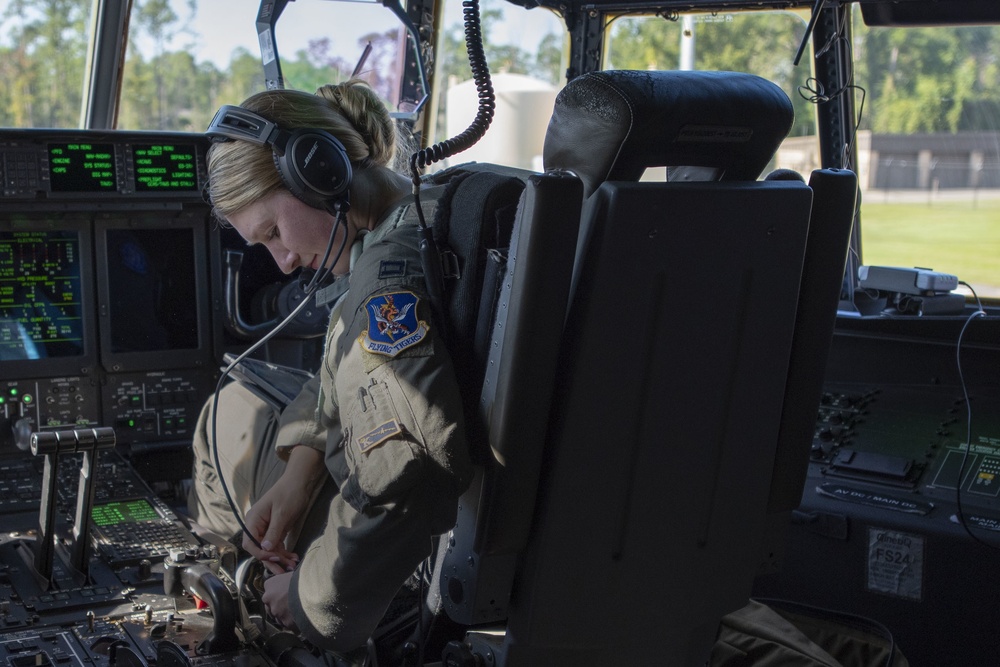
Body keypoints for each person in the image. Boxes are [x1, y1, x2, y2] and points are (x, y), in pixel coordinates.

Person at [187, 78, 472, 657]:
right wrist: (300, 471)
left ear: (318, 172)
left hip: (417, 534)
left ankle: (260, 613)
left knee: (228, 411)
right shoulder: (432, 205)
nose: (285, 261)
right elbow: (343, 367)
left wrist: (314, 594)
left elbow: (410, 474)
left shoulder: (384, 285)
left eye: (272, 232)